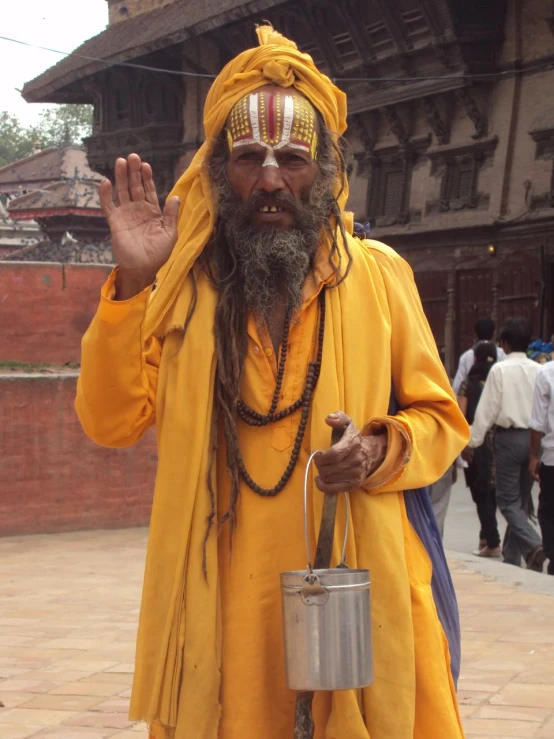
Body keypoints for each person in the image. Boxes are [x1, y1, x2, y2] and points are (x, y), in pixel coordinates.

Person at [75, 27, 469, 739]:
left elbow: (443, 419)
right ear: (219, 170)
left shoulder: (379, 276)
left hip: (359, 596)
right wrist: (135, 281)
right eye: (248, 157)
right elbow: (109, 420)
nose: (269, 181)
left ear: (324, 169)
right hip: (226, 605)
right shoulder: (183, 292)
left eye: (291, 159)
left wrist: (380, 449)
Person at [467, 318, 543, 570]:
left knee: (507, 501)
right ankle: (513, 558)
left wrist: (473, 441)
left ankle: (534, 544)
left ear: (506, 344)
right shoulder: (538, 370)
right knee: (520, 500)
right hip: (534, 439)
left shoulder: (499, 371)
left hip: (508, 439)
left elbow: (487, 410)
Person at [458, 341, 501, 557]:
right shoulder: (498, 380)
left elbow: (460, 415)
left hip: (476, 445)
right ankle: (486, 537)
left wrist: (463, 445)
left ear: (474, 359)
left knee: (480, 493)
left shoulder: (468, 384)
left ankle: (491, 541)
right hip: (499, 443)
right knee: (493, 493)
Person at [529, 361, 554, 575]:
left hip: (552, 457)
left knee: (548, 509)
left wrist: (533, 456)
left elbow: (537, 423)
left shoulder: (546, 373)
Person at [452, 317, 506, 394]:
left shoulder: (466, 356)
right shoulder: (502, 354)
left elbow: (457, 386)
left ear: (475, 334)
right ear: (494, 332)